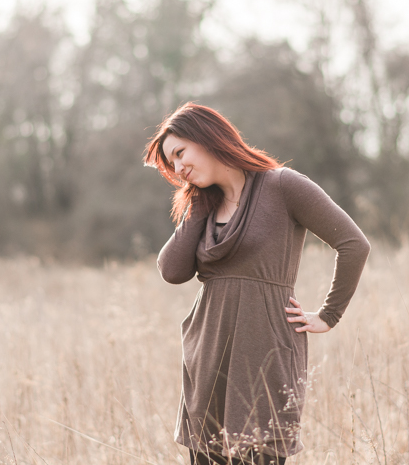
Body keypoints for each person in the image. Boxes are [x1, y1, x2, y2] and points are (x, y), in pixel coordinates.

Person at [144, 103, 370, 465]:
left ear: (207, 136)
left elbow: (354, 244)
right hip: (207, 360)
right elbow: (171, 270)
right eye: (171, 164)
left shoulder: (282, 185)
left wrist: (329, 315)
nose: (178, 168)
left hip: (264, 357)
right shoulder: (204, 204)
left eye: (180, 153)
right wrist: (198, 206)